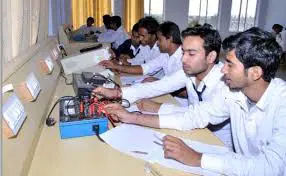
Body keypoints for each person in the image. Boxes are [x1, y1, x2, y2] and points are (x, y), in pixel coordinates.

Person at [101, 27, 286, 175]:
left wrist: (198, 158)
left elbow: (270, 168)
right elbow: (193, 116)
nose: (223, 70)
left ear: (255, 72)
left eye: (230, 64)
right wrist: (132, 117)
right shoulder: (236, 92)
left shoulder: (282, 103)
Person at [92, 26, 233, 149]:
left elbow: (191, 118)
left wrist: (132, 117)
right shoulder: (190, 72)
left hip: (215, 143)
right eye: (183, 52)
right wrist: (117, 93)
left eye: (191, 54)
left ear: (211, 57)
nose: (183, 59)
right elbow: (159, 86)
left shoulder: (225, 85)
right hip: (195, 131)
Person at [100, 21, 183, 81]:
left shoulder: (182, 58)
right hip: (160, 87)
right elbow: (145, 67)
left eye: (160, 40)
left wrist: (159, 82)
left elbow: (180, 87)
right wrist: (117, 65)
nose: (158, 43)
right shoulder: (165, 55)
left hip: (176, 99)